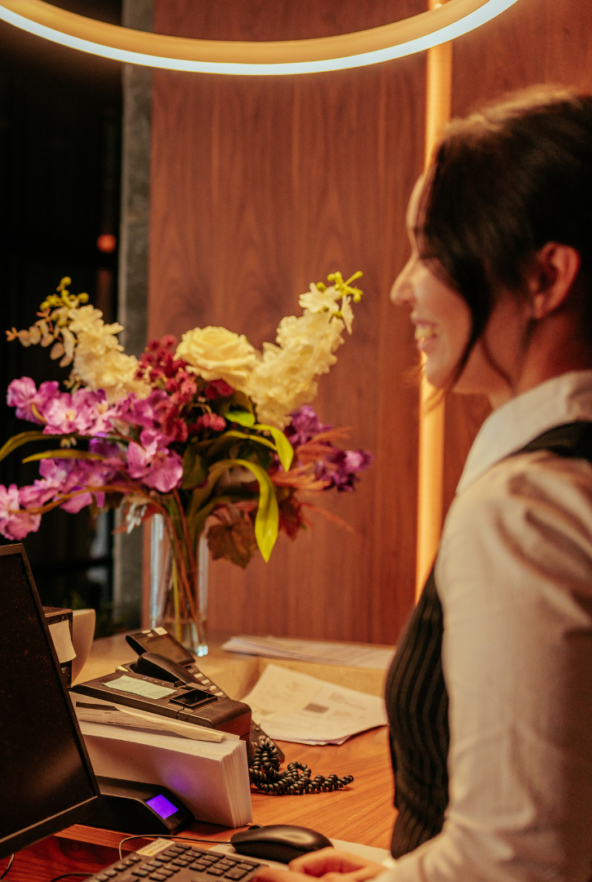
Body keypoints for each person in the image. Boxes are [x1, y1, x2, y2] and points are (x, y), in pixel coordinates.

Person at [259, 86, 592, 882]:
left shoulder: (527, 510)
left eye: (430, 250)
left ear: (545, 276)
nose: (405, 284)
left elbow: (516, 863)